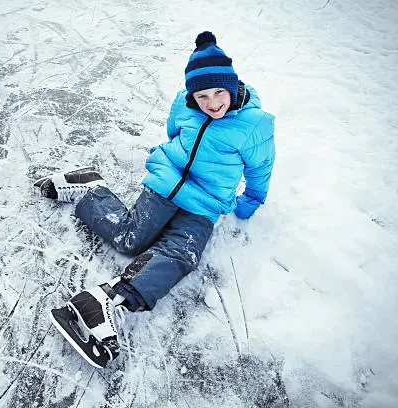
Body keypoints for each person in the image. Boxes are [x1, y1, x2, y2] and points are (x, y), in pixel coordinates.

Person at [38, 31, 275, 368]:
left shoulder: (255, 125)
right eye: (202, 95)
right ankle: (90, 188)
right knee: (129, 239)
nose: (212, 103)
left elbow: (262, 166)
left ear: (233, 86)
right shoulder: (185, 103)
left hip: (205, 204)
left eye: (219, 92)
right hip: (168, 184)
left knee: (181, 253)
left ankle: (110, 299)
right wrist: (172, 162)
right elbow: (173, 131)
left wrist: (252, 198)